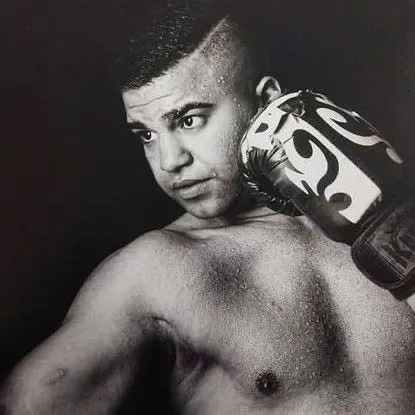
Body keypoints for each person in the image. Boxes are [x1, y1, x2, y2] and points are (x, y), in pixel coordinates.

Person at [1, 1, 415, 413]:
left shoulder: (389, 214)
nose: (169, 160)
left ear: (266, 100)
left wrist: (390, 225)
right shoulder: (157, 272)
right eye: (146, 135)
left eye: (188, 120)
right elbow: (32, 401)